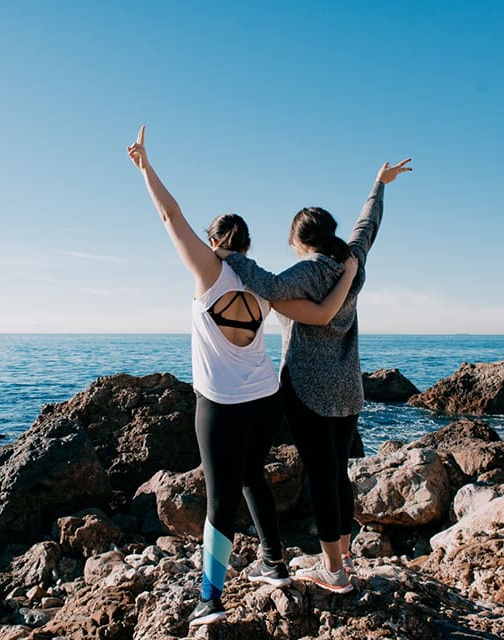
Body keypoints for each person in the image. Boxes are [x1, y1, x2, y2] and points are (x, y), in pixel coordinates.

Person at [126, 126, 359, 626]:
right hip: (266, 400)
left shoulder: (211, 272)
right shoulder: (264, 282)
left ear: (214, 242)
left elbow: (170, 216)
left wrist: (146, 167)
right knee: (253, 476)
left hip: (223, 404)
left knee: (219, 497)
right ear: (249, 242)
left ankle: (210, 599)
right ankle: (273, 563)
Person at [215, 158, 412, 593]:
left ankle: (334, 570)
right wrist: (379, 184)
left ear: (298, 239)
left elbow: (264, 284)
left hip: (306, 387)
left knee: (320, 476)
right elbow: (368, 226)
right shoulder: (351, 260)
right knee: (337, 472)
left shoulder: (308, 270)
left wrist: (228, 256)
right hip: (348, 385)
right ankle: (342, 556)